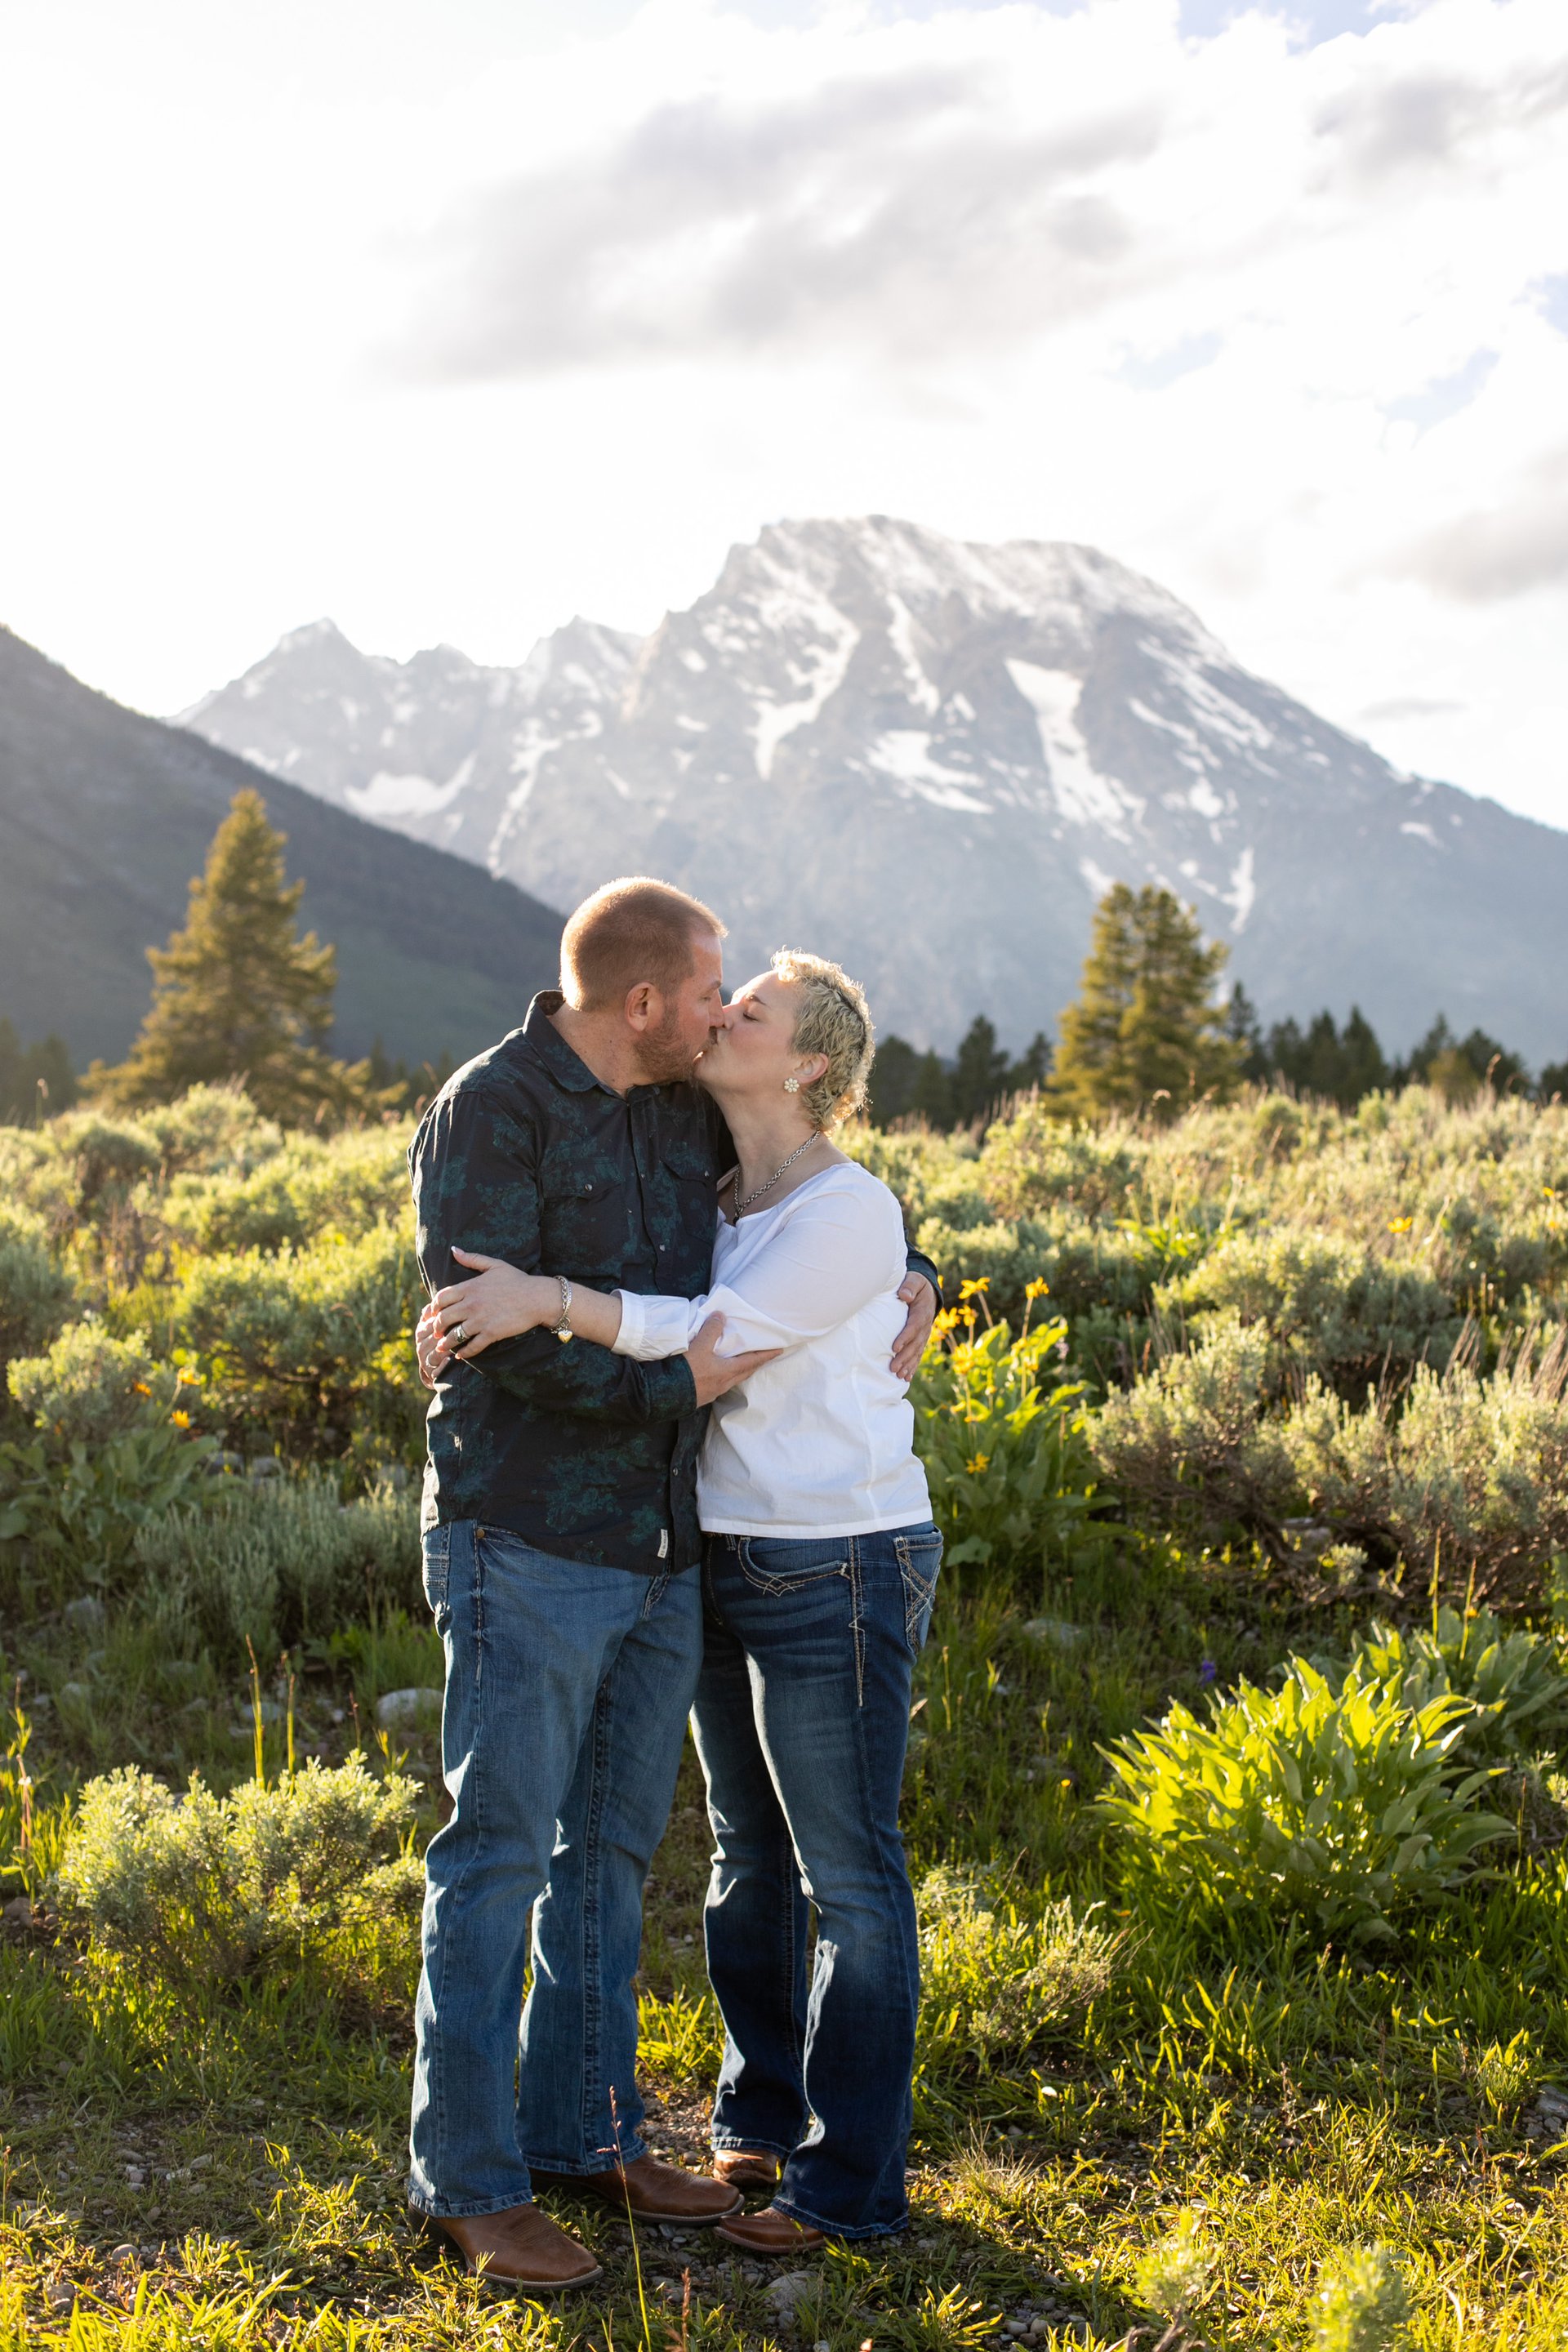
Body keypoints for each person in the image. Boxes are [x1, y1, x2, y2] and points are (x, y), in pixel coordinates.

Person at [406, 880, 938, 2292]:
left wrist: (915, 1267)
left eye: (738, 1003)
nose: (720, 1013)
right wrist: (670, 1382)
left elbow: (813, 1206)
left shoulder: (679, 1105)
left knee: (610, 1856)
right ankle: (471, 2181)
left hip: (669, 1553)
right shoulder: (493, 1109)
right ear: (644, 1003)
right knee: (497, 1858)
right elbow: (504, 1333)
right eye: (712, 993)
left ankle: (585, 2134)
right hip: (529, 1538)